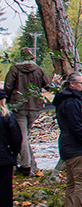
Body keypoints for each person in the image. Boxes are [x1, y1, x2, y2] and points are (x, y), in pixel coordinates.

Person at [52, 72, 82, 207]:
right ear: (72, 84)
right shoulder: (71, 102)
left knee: (72, 181)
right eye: (81, 83)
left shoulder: (67, 101)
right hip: (75, 147)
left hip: (68, 145)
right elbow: (76, 126)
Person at [4, 47, 52, 176]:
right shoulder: (38, 70)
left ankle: (25, 166)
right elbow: (48, 85)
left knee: (22, 136)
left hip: (19, 105)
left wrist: (8, 101)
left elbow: (7, 86)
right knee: (25, 134)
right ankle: (28, 162)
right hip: (35, 106)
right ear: (32, 56)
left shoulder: (15, 69)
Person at [0, 90, 22, 207]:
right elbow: (16, 137)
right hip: (4, 157)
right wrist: (14, 153)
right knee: (4, 188)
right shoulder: (7, 116)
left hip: (5, 155)